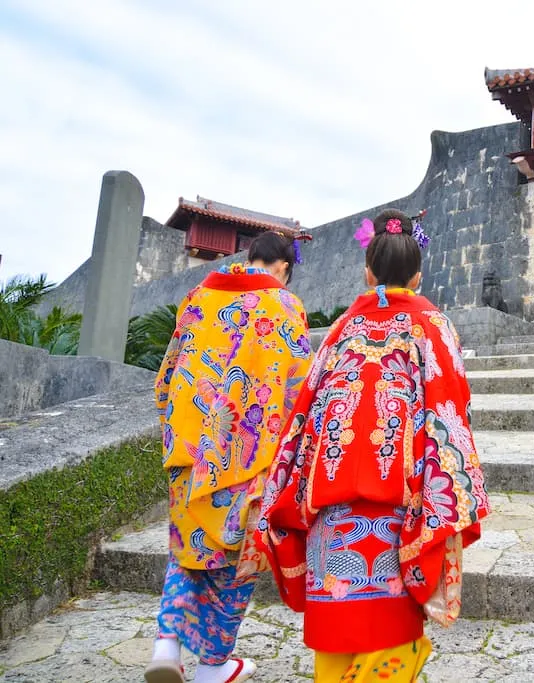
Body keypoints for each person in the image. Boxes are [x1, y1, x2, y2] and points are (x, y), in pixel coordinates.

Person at [259, 209, 490, 683]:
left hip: (328, 511)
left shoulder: (341, 331)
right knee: (398, 643)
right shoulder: (432, 325)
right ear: (418, 276)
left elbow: (306, 411)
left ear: (368, 272)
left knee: (334, 646)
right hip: (396, 516)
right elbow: (450, 409)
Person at [146, 231, 313, 683]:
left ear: (249, 257)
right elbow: (300, 388)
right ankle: (214, 667)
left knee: (186, 548)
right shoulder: (285, 306)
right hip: (250, 453)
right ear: (281, 268)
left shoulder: (198, 297)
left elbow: (167, 376)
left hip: (192, 444)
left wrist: (175, 427)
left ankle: (167, 644)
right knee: (236, 558)